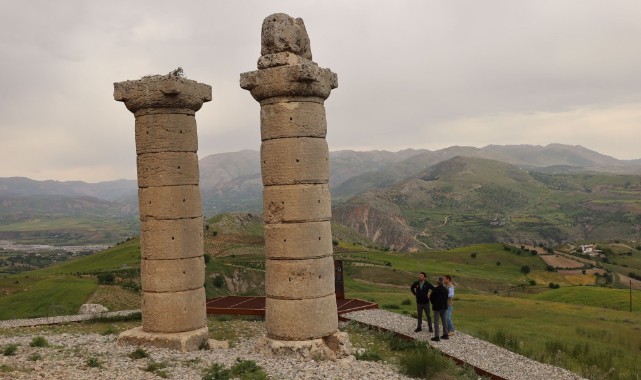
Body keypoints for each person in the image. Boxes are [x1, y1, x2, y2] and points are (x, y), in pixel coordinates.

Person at [429, 277, 449, 341]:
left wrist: (433, 303)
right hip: (444, 307)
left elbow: (431, 298)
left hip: (437, 308)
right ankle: (446, 334)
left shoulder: (435, 289)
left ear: (437, 282)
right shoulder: (446, 289)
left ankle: (437, 336)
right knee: (444, 321)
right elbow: (446, 298)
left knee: (436, 322)